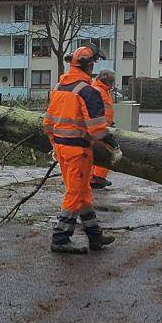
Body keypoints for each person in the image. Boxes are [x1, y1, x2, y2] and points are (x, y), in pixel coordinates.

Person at [43, 44, 120, 255]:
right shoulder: (88, 92)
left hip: (61, 150)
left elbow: (47, 124)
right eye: (93, 63)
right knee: (75, 194)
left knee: (83, 193)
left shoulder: (59, 89)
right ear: (88, 65)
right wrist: (113, 144)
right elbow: (97, 131)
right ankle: (60, 238)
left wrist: (55, 144)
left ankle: (94, 236)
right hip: (79, 152)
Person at [90, 69, 116, 190]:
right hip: (99, 127)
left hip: (104, 125)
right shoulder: (98, 90)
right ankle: (95, 178)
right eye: (111, 80)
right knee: (102, 152)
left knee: (99, 152)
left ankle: (96, 177)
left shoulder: (104, 90)